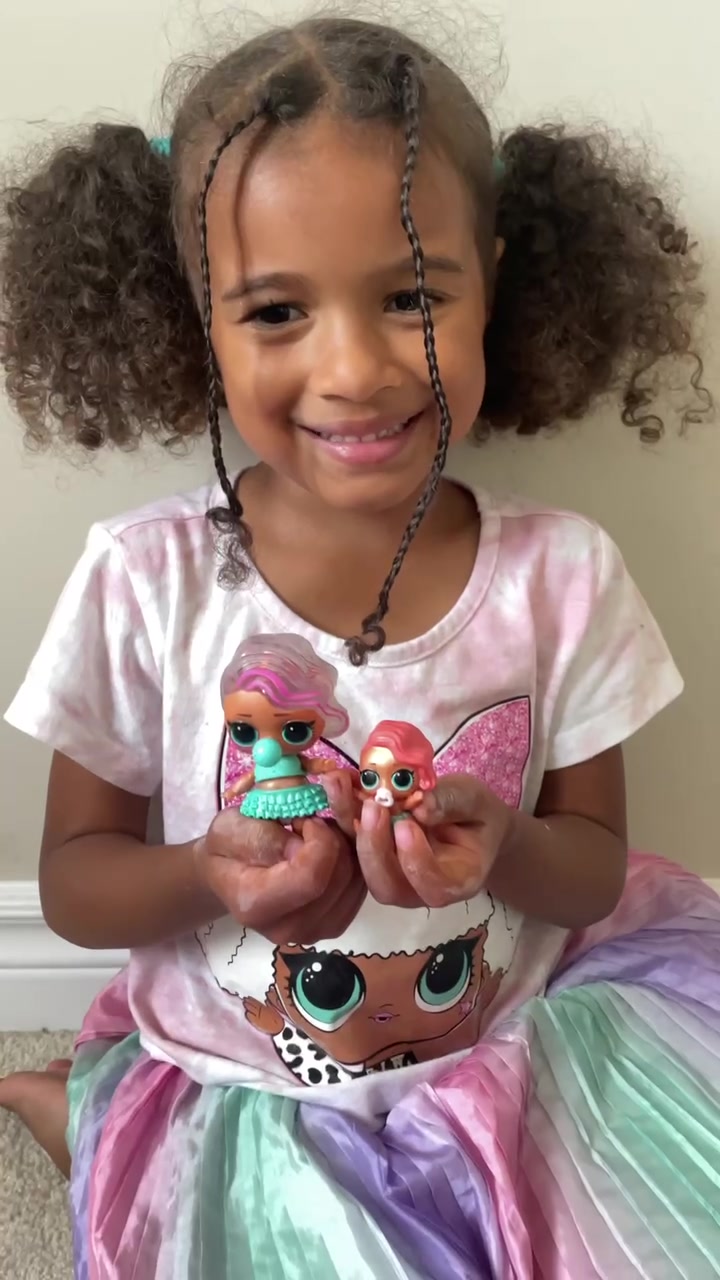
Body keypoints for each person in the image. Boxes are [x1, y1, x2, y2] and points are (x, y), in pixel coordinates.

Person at [1, 14, 719, 1279]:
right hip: (251, 1079)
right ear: (196, 317)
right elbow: (74, 884)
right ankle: (91, 1114)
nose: (354, 368)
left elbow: (592, 870)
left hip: (509, 1053)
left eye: (410, 297)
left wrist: (507, 848)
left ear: (494, 279)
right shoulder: (143, 579)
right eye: (277, 309)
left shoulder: (562, 573)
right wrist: (211, 873)